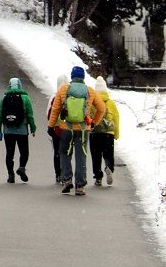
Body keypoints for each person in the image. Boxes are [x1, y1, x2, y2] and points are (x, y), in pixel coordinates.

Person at [47, 65, 107, 196]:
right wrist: (93, 122)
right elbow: (102, 108)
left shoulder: (64, 89)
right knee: (81, 156)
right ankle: (80, 185)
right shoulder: (90, 91)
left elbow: (55, 110)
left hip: (66, 128)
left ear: (72, 77)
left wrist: (51, 126)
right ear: (83, 77)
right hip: (83, 129)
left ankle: (67, 179)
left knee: (64, 153)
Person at [0, 77, 38, 183]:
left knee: (9, 153)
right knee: (24, 152)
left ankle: (10, 174)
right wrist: (33, 128)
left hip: (8, 131)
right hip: (22, 130)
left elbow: (0, 115)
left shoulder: (4, 98)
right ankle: (22, 167)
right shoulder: (26, 98)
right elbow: (30, 115)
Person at [90, 76, 121, 186]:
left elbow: (88, 116)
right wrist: (116, 133)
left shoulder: (92, 102)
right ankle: (109, 167)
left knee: (96, 155)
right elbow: (116, 118)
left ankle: (98, 177)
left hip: (95, 133)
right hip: (108, 133)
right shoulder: (111, 103)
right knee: (108, 154)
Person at [45, 74, 68, 182]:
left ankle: (58, 174)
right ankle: (66, 173)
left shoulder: (54, 97)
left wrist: (50, 126)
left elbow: (49, 113)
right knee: (66, 152)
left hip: (56, 129)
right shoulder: (71, 96)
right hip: (69, 128)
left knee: (57, 152)